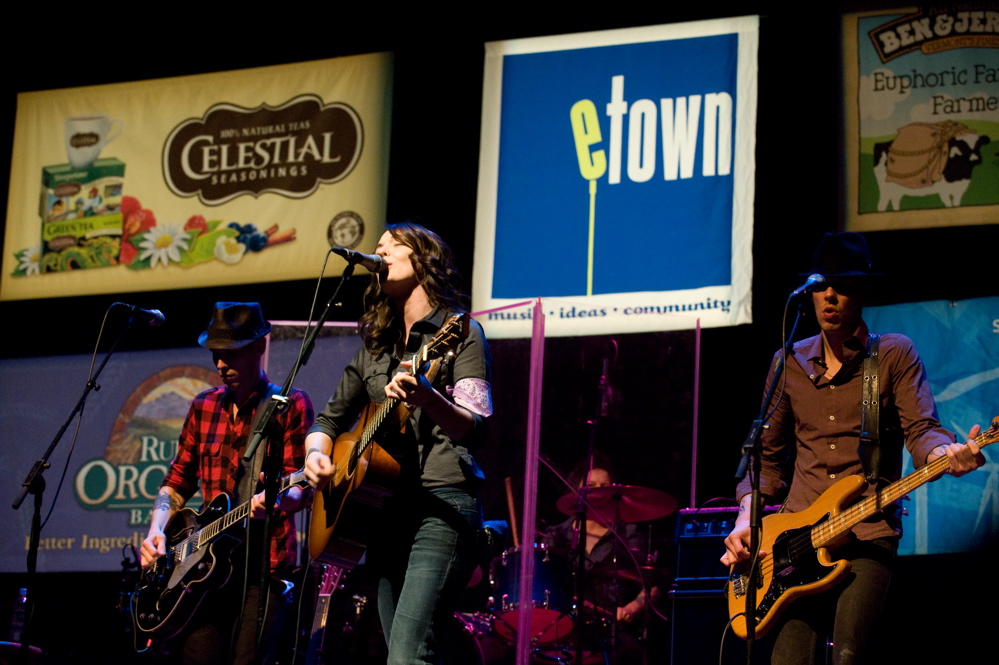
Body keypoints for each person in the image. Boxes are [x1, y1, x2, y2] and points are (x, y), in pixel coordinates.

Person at [720, 232, 985, 665]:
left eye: (842, 286)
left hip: (867, 530)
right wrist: (745, 518)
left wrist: (947, 456)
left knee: (849, 655)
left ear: (862, 293)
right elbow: (765, 461)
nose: (830, 296)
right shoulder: (788, 362)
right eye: (821, 285)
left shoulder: (893, 354)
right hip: (795, 539)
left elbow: (922, 430)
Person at [303, 221, 493, 665]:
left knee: (407, 655)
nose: (380, 252)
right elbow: (328, 421)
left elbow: (475, 427)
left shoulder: (461, 332)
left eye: (393, 245)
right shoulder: (375, 347)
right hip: (383, 514)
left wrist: (428, 398)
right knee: (404, 654)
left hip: (442, 506)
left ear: (424, 259)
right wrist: (315, 454)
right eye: (378, 247)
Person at [139, 302, 315, 665]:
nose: (220, 364)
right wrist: (156, 529)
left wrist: (278, 500)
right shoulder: (203, 406)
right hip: (204, 572)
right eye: (216, 355)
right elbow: (177, 480)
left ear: (259, 347)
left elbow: (302, 488)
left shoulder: (289, 405)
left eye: (231, 354)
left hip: (263, 568)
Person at [542, 463, 654, 663]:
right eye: (592, 486)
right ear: (576, 492)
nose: (599, 492)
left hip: (613, 631)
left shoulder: (628, 535)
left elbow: (651, 585)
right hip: (563, 628)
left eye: (605, 487)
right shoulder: (556, 535)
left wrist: (630, 609)